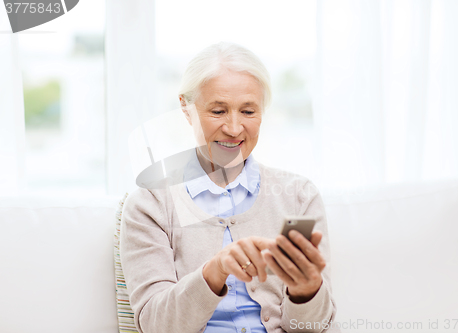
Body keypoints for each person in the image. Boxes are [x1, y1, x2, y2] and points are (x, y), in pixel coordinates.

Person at [120, 42, 338, 333]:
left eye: (248, 112)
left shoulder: (298, 196)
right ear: (186, 108)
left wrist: (307, 291)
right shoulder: (150, 204)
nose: (234, 129)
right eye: (218, 111)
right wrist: (216, 270)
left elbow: (313, 327)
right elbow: (158, 326)